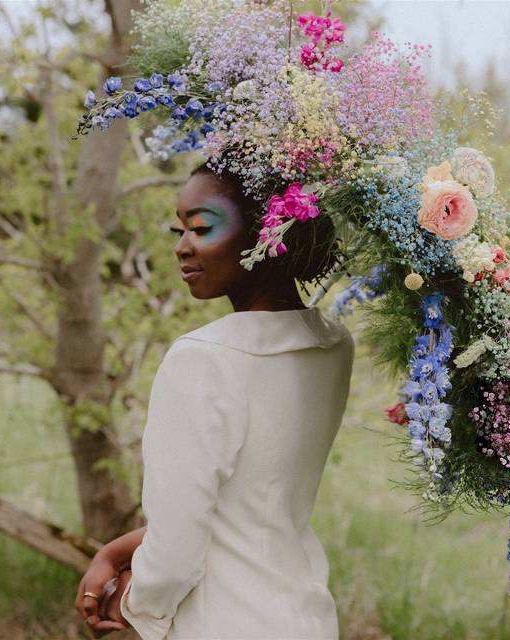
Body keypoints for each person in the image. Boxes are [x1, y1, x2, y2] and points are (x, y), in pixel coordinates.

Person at [75, 161, 356, 639]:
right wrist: (116, 552)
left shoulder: (202, 360)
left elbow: (177, 552)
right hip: (305, 617)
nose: (182, 247)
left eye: (202, 228)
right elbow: (248, 509)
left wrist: (131, 601)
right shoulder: (332, 346)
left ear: (268, 234)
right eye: (179, 229)